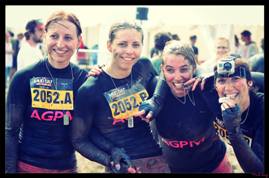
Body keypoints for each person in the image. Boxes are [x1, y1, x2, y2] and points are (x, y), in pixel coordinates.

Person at [71, 22, 170, 173]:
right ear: (109, 46)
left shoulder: (144, 66)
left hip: (158, 160)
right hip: (124, 164)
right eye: (122, 44)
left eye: (135, 45)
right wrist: (111, 160)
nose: (130, 51)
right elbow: (79, 139)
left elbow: (164, 78)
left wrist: (156, 100)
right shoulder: (90, 88)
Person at [5, 11, 89, 173]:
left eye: (68, 37)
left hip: (67, 167)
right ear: (45, 37)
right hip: (27, 166)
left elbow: (92, 129)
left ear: (78, 41)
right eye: (54, 36)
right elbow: (10, 132)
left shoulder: (83, 79)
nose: (60, 44)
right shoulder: (23, 77)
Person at [137, 40, 232, 173]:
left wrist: (205, 75)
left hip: (213, 164)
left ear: (194, 68)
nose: (177, 77)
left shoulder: (205, 88)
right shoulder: (153, 88)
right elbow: (128, 71)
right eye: (170, 70)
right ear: (163, 70)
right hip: (171, 167)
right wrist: (100, 70)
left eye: (184, 69)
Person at [202, 56, 264, 173]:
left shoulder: (261, 109)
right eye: (221, 81)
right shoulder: (210, 96)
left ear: (249, 82)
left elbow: (259, 171)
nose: (229, 88)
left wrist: (233, 130)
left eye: (235, 79)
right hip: (225, 163)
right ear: (215, 85)